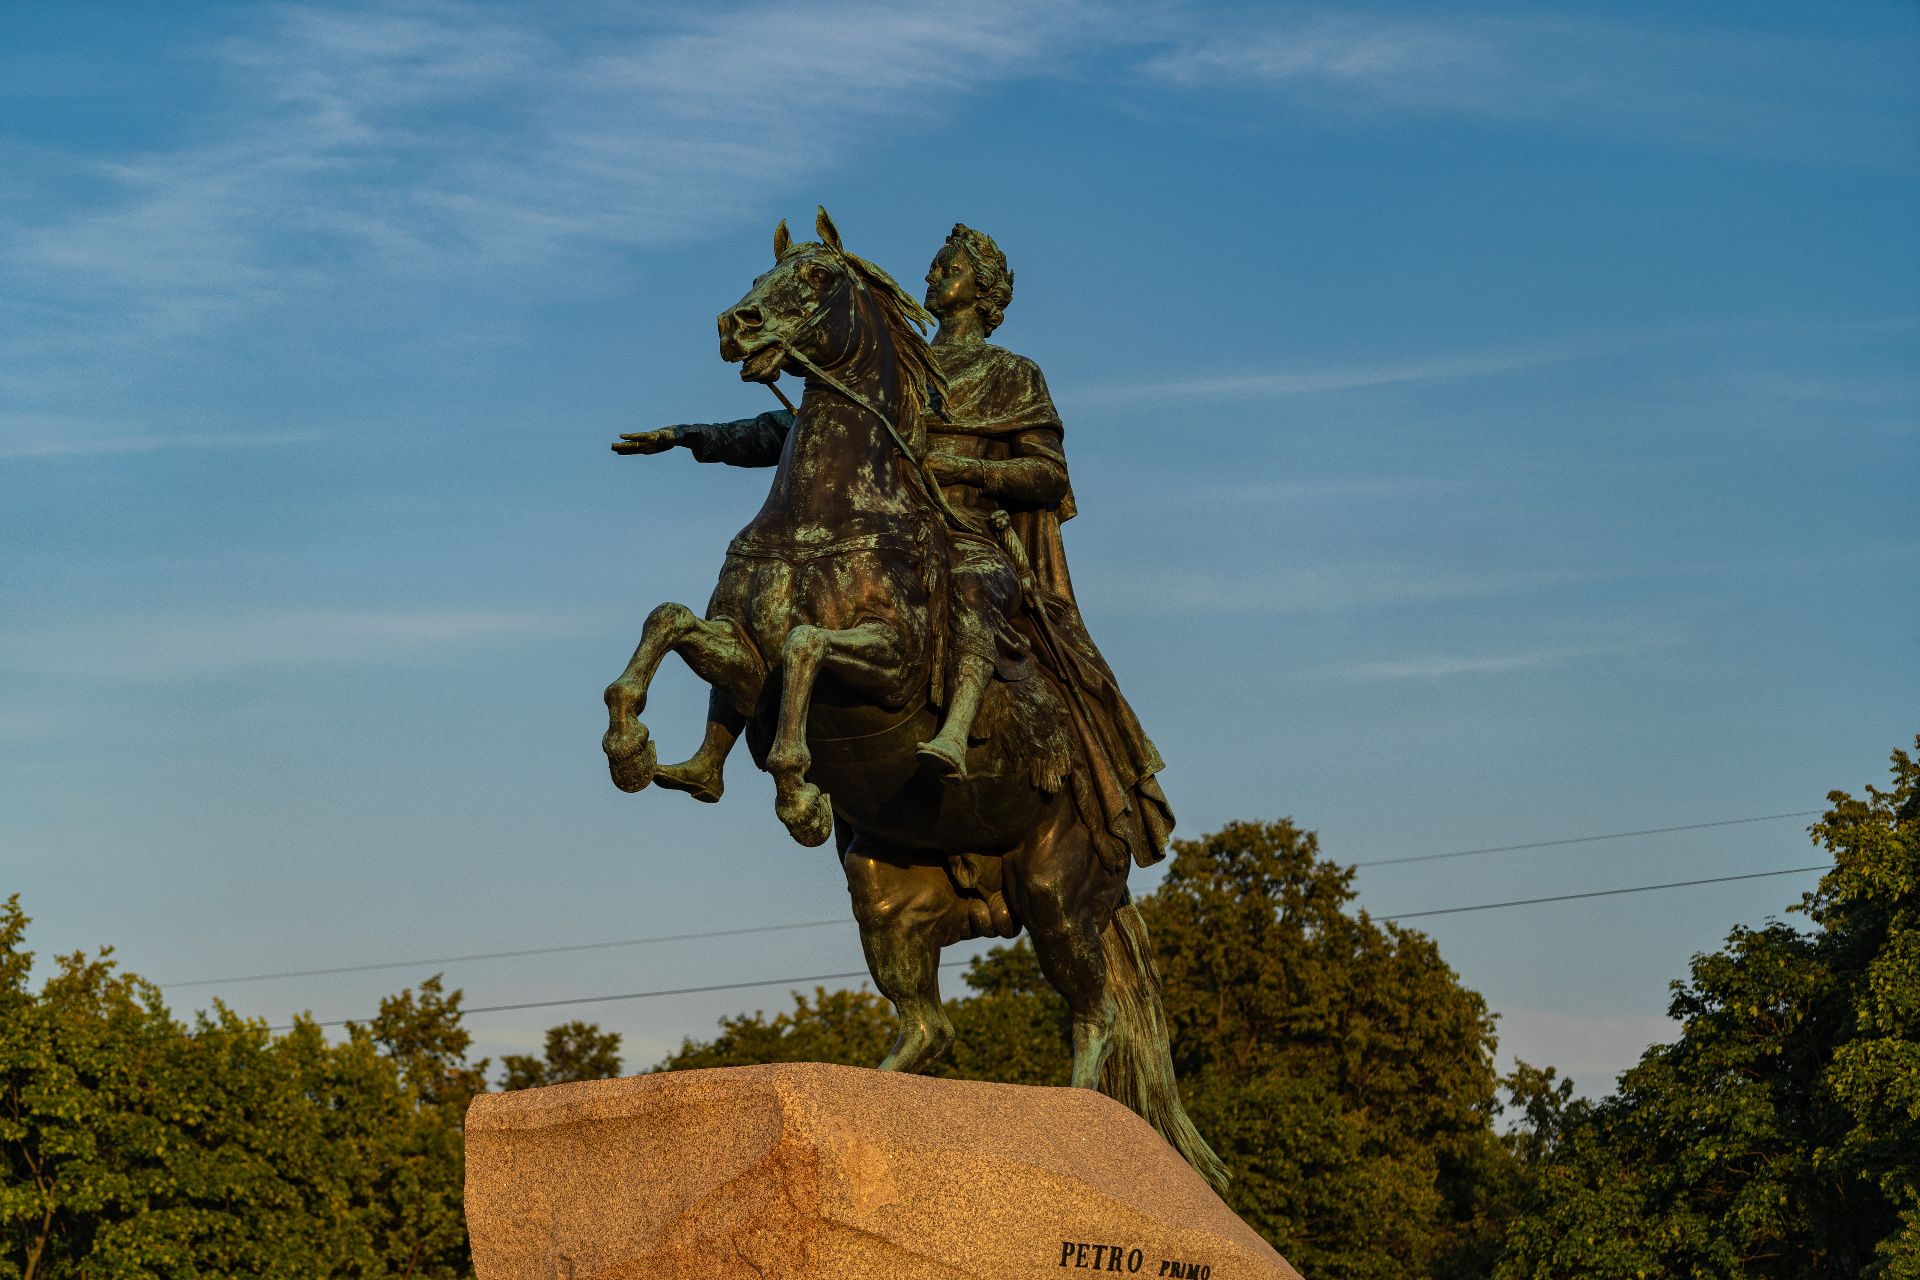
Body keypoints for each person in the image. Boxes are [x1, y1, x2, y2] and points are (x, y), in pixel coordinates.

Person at [614, 225, 1174, 868]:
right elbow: (792, 430)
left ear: (983, 293)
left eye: (950, 269)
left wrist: (965, 471)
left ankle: (958, 730)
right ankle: (714, 754)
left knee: (970, 583)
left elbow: (1048, 475)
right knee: (761, 583)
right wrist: (691, 436)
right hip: (887, 522)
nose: (933, 276)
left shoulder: (1011, 374)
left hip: (966, 531)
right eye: (935, 267)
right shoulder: (898, 365)